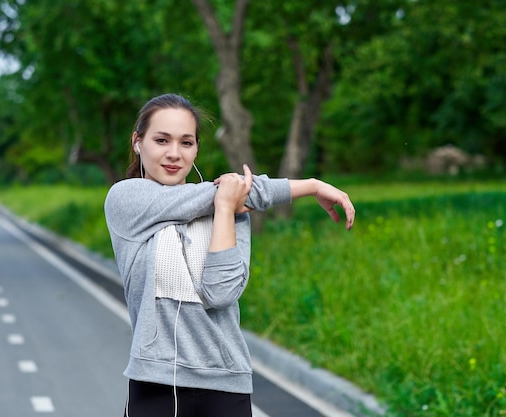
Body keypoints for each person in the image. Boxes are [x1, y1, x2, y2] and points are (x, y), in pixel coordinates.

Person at [104, 93, 355, 417]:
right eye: (161, 140)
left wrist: (225, 209)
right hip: (157, 383)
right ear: (138, 142)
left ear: (197, 149)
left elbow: (220, 292)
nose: (173, 154)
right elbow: (216, 194)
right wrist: (306, 186)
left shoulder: (232, 210)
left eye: (186, 142)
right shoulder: (127, 200)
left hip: (226, 385)